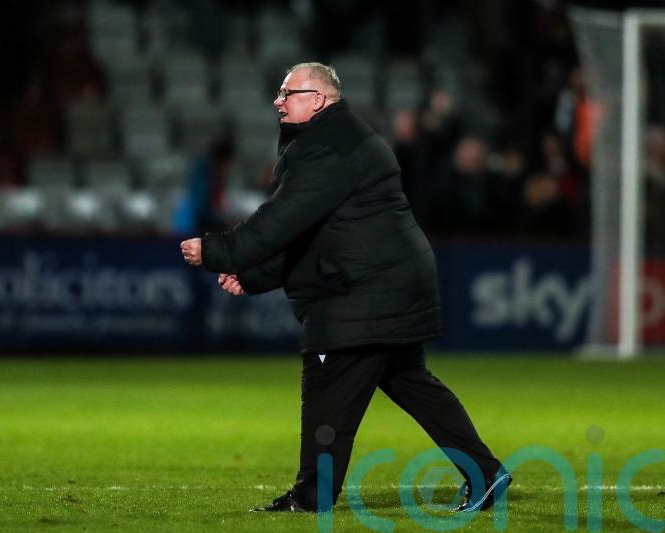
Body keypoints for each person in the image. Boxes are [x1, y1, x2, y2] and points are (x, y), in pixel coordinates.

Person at [180, 62, 511, 513]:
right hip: (387, 285)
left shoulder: (327, 149)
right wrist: (255, 275)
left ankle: (310, 497)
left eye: (287, 92)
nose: (278, 101)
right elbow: (318, 235)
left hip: (362, 293)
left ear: (318, 99)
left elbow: (282, 221)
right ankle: (486, 473)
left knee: (326, 389)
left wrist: (220, 251)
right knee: (412, 383)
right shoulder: (342, 140)